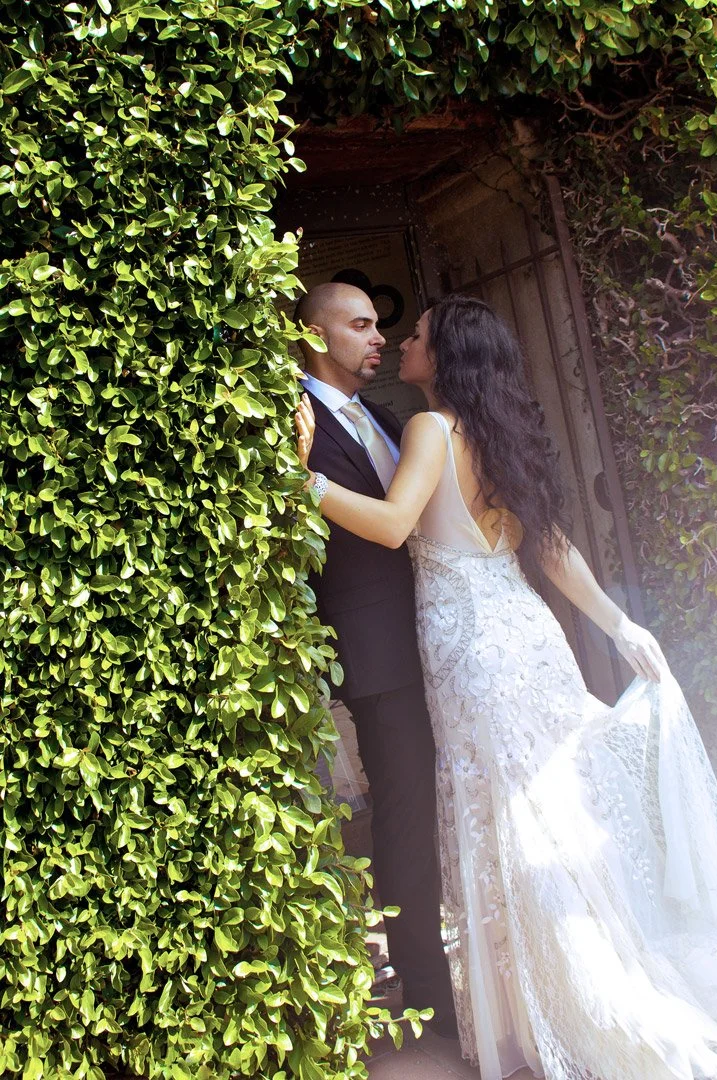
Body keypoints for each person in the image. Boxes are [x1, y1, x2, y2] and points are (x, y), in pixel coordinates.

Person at [296, 293, 717, 1080]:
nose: (401, 341)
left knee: (506, 822)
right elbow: (552, 547)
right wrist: (621, 627)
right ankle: (574, 977)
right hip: (529, 635)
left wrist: (299, 478)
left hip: (471, 653)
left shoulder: (427, 428)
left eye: (416, 334)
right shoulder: (498, 433)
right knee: (553, 812)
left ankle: (551, 1004)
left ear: (443, 355)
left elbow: (392, 525)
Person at [294, 283, 457, 1035]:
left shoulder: (391, 417)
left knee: (444, 802)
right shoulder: (285, 424)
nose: (378, 337)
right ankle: (429, 997)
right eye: (359, 325)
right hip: (375, 653)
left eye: (379, 325)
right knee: (403, 813)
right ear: (314, 335)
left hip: (439, 639)